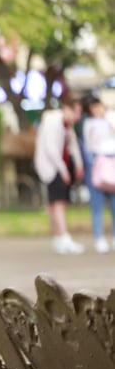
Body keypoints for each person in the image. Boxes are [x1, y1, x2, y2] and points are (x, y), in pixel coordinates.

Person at [33, 96, 85, 254]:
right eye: (76, 112)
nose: (77, 117)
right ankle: (63, 237)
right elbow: (51, 149)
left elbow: (73, 145)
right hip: (52, 167)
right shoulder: (52, 121)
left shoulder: (67, 125)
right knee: (58, 203)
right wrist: (63, 170)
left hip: (59, 166)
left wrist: (79, 164)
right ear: (67, 108)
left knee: (55, 203)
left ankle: (59, 238)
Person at [82, 94, 115, 253]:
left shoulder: (112, 117)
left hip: (113, 164)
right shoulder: (89, 124)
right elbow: (90, 145)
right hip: (98, 165)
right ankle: (99, 238)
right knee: (97, 206)